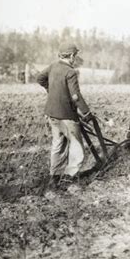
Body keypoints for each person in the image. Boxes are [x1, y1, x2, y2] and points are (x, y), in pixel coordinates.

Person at [37, 43, 93, 187]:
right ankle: (68, 177)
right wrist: (86, 113)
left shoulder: (53, 66)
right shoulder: (71, 72)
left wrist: (53, 91)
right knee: (77, 147)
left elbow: (40, 78)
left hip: (51, 113)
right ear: (72, 56)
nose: (75, 58)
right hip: (66, 115)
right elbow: (75, 96)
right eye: (75, 55)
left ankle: (54, 176)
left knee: (58, 144)